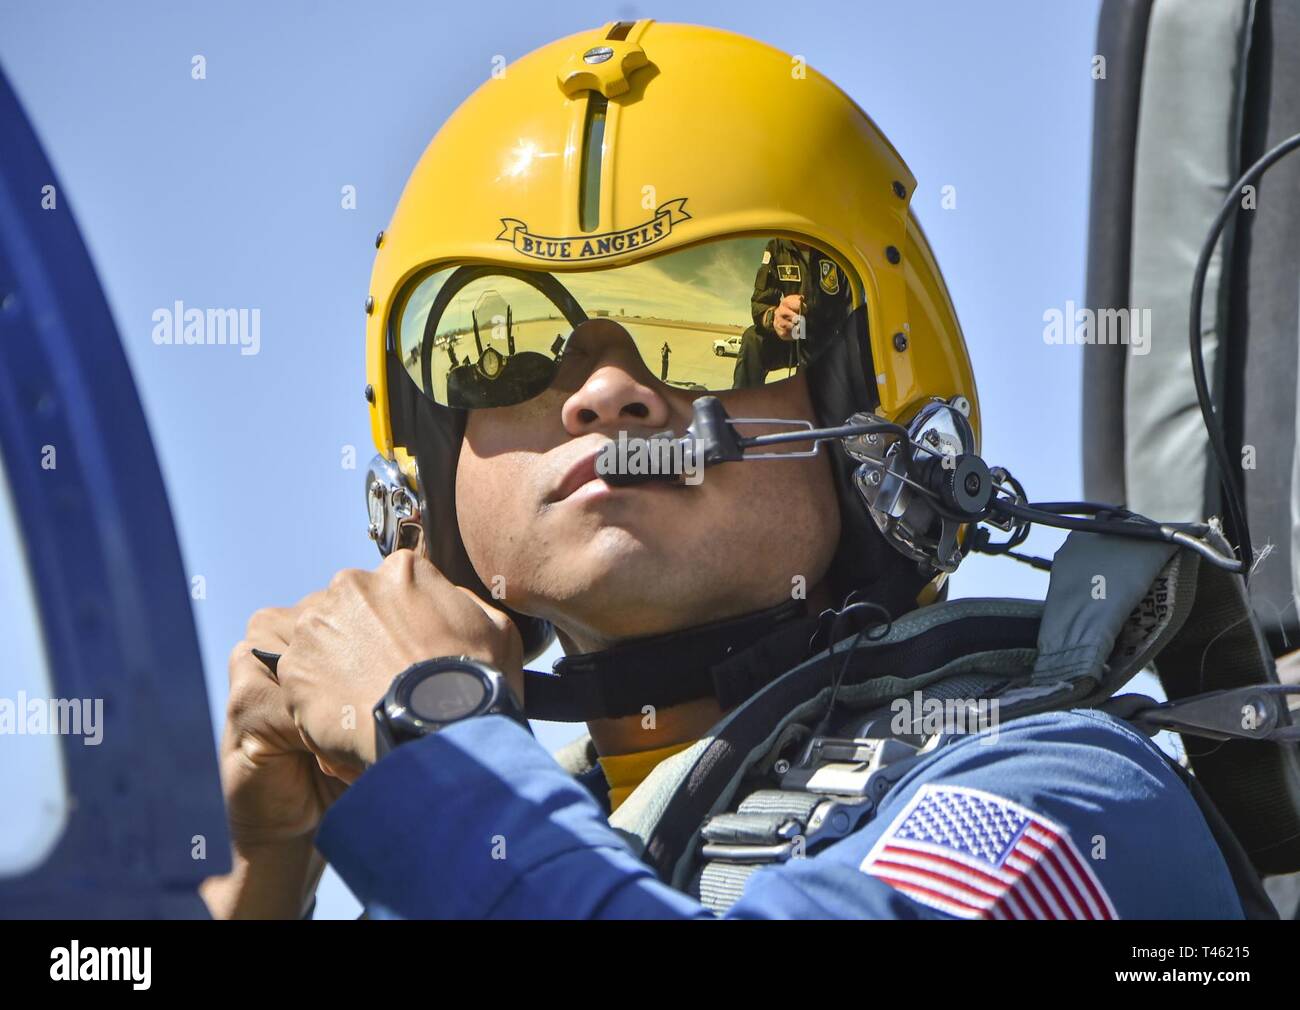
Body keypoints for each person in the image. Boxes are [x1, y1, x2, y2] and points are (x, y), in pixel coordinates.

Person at [200, 20, 1260, 920]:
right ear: (425, 460)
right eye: (502, 341)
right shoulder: (484, 835)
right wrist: (262, 873)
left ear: (872, 420)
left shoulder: (1062, 803)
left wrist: (432, 736)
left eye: (714, 326)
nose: (604, 396)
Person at [732, 238, 853, 388]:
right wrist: (776, 319)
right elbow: (760, 303)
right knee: (752, 339)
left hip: (826, 339)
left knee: (809, 393)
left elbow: (851, 307)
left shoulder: (836, 246)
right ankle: (743, 404)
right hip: (794, 331)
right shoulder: (777, 247)